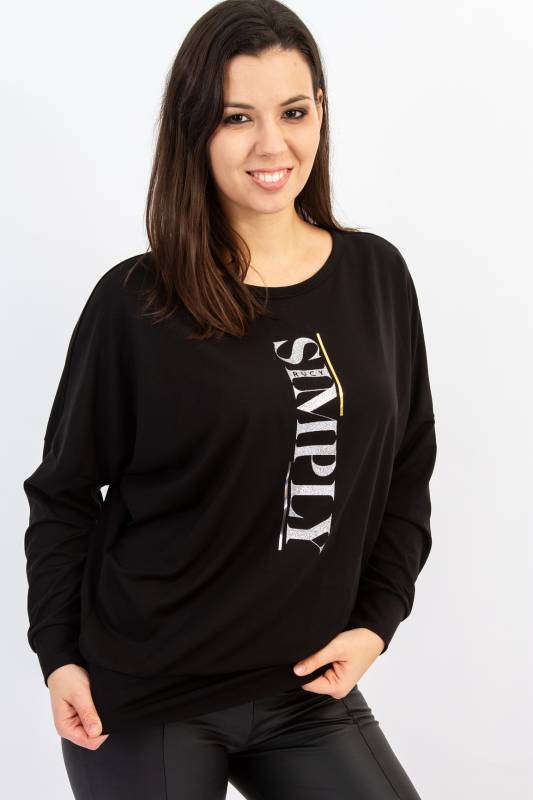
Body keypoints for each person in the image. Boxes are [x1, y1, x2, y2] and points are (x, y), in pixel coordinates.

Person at [22, 1, 437, 797]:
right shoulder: (138, 302)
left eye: (293, 111)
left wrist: (375, 622)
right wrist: (59, 656)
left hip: (303, 685)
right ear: (196, 130)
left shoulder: (375, 276)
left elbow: (408, 464)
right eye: (236, 117)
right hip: (147, 691)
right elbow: (64, 493)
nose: (271, 144)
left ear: (321, 112)